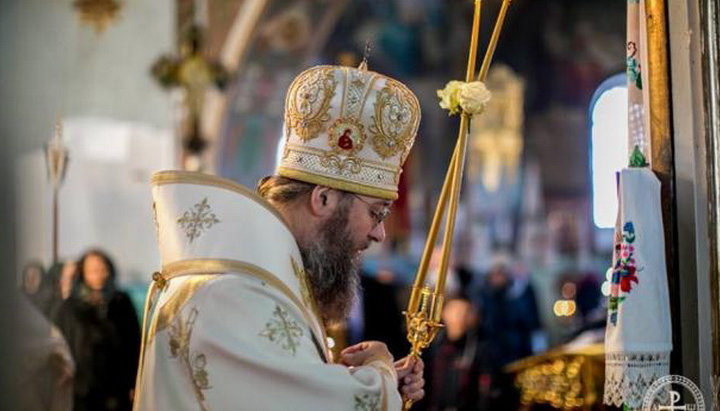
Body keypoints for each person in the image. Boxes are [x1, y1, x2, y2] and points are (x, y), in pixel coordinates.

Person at [135, 63, 425, 410]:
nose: (378, 233)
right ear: (323, 199)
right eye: (376, 214)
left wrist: (372, 380)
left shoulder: (256, 282)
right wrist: (379, 377)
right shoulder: (234, 292)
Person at [54, 249, 141, 411]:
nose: (99, 275)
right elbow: (59, 343)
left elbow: (133, 344)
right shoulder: (70, 307)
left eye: (102, 269)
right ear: (83, 273)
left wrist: (134, 381)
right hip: (80, 389)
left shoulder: (121, 303)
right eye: (93, 270)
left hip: (115, 390)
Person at [421, 295, 495, 411]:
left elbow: (486, 390)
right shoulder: (430, 345)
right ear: (443, 313)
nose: (461, 317)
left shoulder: (481, 348)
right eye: (455, 311)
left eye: (466, 312)